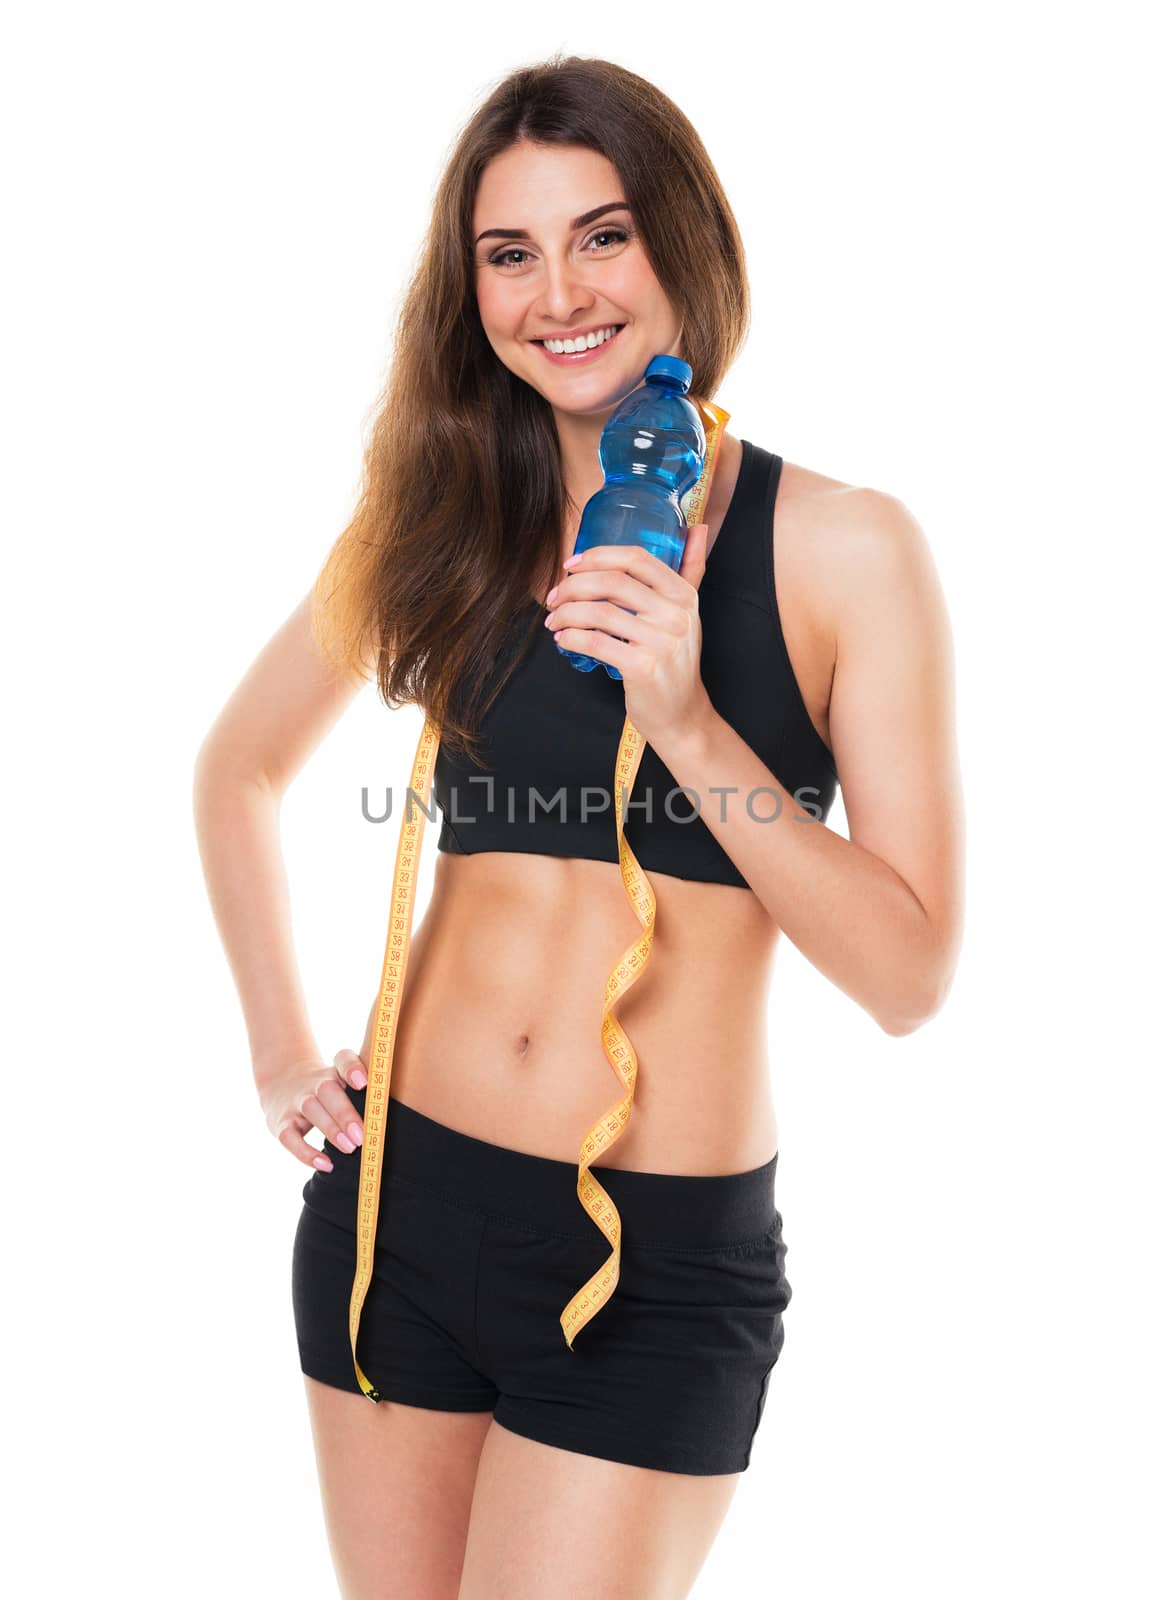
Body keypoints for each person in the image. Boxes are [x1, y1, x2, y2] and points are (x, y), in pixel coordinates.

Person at [193, 52, 964, 1600]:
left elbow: (908, 974)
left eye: (602, 234)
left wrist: (687, 719)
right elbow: (240, 770)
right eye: (510, 251)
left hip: (658, 1265)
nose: (560, 291)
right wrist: (285, 1048)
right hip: (399, 1213)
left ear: (681, 240)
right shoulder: (440, 513)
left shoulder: (843, 550)